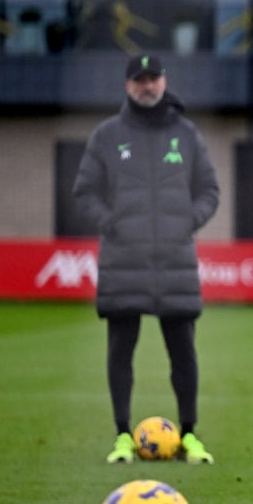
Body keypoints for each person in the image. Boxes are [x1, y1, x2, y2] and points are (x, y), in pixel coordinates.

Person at [73, 54, 220, 464]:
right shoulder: (107, 135)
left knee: (184, 353)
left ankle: (189, 435)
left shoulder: (187, 134)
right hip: (123, 261)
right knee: (121, 351)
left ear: (163, 81)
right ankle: (122, 436)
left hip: (175, 262)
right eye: (139, 79)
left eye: (153, 77)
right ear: (127, 86)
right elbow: (84, 192)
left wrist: (187, 221)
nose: (147, 85)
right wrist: (112, 223)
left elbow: (209, 190)